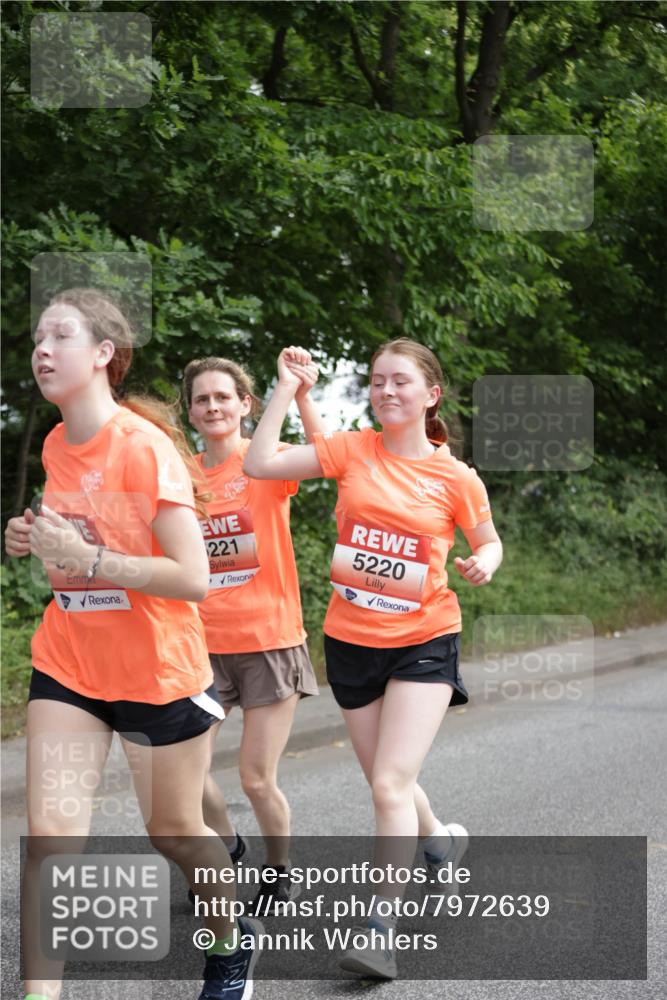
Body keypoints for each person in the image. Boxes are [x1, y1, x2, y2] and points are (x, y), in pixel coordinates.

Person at [4, 288, 262, 1000]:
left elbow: (192, 577)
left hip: (157, 672)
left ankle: (231, 947)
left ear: (104, 355)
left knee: (175, 832)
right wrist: (31, 538)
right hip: (72, 663)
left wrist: (90, 562)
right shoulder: (58, 442)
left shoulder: (144, 449)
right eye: (38, 339)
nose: (42, 351)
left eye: (60, 337)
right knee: (51, 838)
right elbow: (78, 539)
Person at [243, 338, 502, 979]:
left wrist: (482, 564)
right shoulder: (354, 449)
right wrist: (286, 388)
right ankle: (440, 841)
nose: (387, 391)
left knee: (388, 782)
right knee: (391, 779)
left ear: (431, 394)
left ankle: (379, 929)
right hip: (352, 643)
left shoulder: (456, 477)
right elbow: (259, 464)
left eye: (401, 382)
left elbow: (490, 541)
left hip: (425, 639)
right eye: (377, 381)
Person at [182, 351, 322, 912]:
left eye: (223, 396)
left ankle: (280, 868)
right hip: (199, 646)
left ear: (245, 405)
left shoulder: (266, 459)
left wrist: (301, 394)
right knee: (185, 776)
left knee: (256, 779)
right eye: (201, 399)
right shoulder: (181, 473)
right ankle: (226, 850)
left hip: (268, 641)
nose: (212, 406)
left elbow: (329, 460)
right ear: (190, 412)